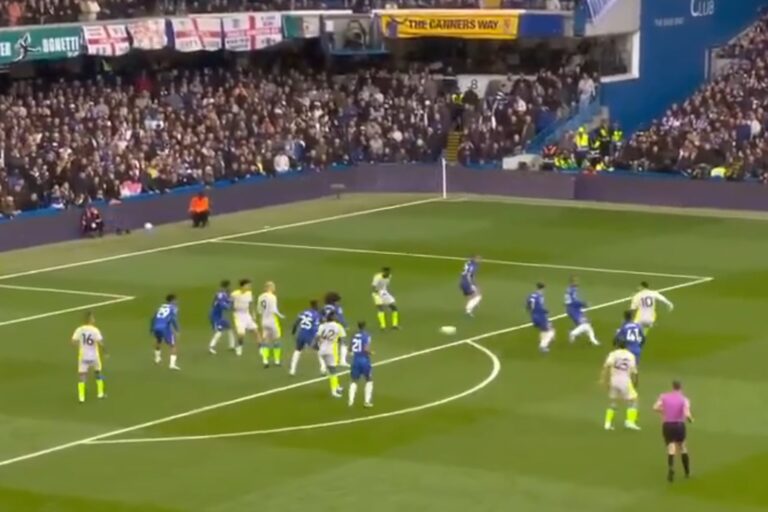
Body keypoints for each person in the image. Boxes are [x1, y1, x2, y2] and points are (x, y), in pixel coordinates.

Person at [654, 380, 694, 482]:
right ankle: (687, 472)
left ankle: (671, 467)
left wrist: (664, 411)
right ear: (681, 387)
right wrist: (690, 419)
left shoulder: (663, 396)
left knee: (671, 448)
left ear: (672, 387)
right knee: (683, 447)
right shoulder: (684, 399)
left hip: (667, 425)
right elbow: (686, 413)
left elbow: (655, 407)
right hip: (679, 425)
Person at [601, 339, 640, 431]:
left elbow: (606, 366)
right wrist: (636, 382)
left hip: (614, 380)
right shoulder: (630, 355)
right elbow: (634, 371)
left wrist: (604, 380)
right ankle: (630, 422)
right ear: (626, 346)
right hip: (625, 381)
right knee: (633, 401)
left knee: (613, 402)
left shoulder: (613, 354)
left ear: (617, 346)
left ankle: (607, 423)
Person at [72, 312, 106, 403]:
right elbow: (100, 342)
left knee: (82, 376)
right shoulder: (95, 330)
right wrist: (105, 351)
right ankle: (100, 393)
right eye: (93, 318)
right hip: (94, 356)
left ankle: (81, 398)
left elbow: (73, 341)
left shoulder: (79, 330)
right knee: (98, 373)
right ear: (90, 319)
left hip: (83, 356)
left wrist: (81, 346)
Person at [315, 311, 347, 398]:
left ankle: (337, 386)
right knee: (333, 371)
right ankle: (334, 391)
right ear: (333, 318)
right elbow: (343, 339)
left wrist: (315, 344)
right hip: (331, 351)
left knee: (331, 370)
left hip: (322, 350)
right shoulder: (338, 326)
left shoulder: (322, 326)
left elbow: (317, 337)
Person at [257, 281, 285, 368]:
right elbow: (274, 309)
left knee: (266, 341)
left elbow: (259, 310)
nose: (274, 288)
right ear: (270, 287)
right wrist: (281, 316)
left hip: (264, 321)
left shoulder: (260, 297)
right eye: (273, 287)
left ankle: (265, 361)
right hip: (272, 321)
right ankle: (277, 361)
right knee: (277, 340)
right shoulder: (272, 297)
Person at [289, 300, 321, 376]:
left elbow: (296, 322)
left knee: (297, 350)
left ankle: (292, 370)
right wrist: (316, 337)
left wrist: (293, 332)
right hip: (309, 335)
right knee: (318, 350)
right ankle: (323, 368)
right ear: (316, 306)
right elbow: (315, 328)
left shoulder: (303, 312)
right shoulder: (316, 315)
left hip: (300, 334)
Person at [564, 276, 600, 345]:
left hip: (572, 309)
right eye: (576, 281)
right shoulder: (573, 290)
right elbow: (575, 301)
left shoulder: (569, 289)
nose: (577, 282)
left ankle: (593, 340)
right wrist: (584, 304)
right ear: (572, 282)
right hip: (574, 310)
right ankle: (572, 333)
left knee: (586, 324)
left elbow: (570, 301)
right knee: (585, 324)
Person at [230, 279, 259, 356]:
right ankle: (239, 347)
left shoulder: (249, 293)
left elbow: (251, 303)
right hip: (238, 315)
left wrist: (253, 313)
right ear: (243, 286)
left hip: (247, 314)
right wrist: (233, 308)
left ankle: (261, 348)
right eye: (248, 285)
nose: (249, 286)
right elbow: (230, 302)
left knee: (256, 331)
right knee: (241, 334)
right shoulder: (234, 294)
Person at [151, 294, 180, 370]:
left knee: (158, 341)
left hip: (156, 327)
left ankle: (157, 358)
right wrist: (177, 329)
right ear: (172, 300)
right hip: (164, 328)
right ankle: (172, 365)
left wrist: (151, 329)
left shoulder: (160, 307)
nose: (176, 301)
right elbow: (173, 319)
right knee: (173, 345)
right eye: (175, 300)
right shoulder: (173, 308)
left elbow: (153, 318)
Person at [348, 321, 373, 408]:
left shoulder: (353, 335)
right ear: (364, 326)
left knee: (354, 380)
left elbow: (350, 348)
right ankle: (366, 401)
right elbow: (366, 349)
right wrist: (371, 352)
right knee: (369, 379)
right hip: (364, 360)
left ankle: (350, 401)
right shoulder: (367, 335)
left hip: (355, 360)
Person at [322, 292, 348, 368]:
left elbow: (321, 317)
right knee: (343, 342)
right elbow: (340, 317)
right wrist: (345, 325)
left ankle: (327, 362)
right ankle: (342, 361)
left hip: (326, 326)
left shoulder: (324, 308)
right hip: (336, 325)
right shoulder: (337, 307)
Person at [208, 280, 234, 355]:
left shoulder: (223, 294)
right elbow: (222, 305)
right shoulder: (221, 294)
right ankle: (211, 347)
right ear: (227, 286)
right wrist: (229, 307)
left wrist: (230, 301)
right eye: (229, 286)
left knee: (229, 327)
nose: (230, 287)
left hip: (219, 316)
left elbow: (226, 301)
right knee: (219, 332)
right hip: (215, 316)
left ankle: (231, 346)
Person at [527, 283, 555, 352]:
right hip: (540, 317)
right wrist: (545, 311)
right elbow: (540, 307)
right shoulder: (540, 296)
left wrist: (532, 312)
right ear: (542, 289)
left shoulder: (532, 295)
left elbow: (528, 306)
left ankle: (542, 340)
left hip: (534, 316)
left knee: (544, 329)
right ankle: (543, 346)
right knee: (550, 331)